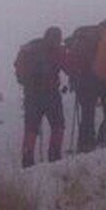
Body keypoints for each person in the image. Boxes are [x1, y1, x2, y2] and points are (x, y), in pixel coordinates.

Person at [14, 26, 67, 168]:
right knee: (58, 125)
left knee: (31, 128)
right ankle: (54, 157)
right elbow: (67, 66)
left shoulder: (30, 48)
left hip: (31, 95)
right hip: (51, 94)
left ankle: (27, 160)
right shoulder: (56, 50)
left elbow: (19, 73)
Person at [63, 18, 106, 153]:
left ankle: (84, 144)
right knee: (92, 112)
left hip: (80, 79)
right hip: (93, 79)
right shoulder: (100, 37)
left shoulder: (83, 35)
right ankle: (90, 144)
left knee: (87, 112)